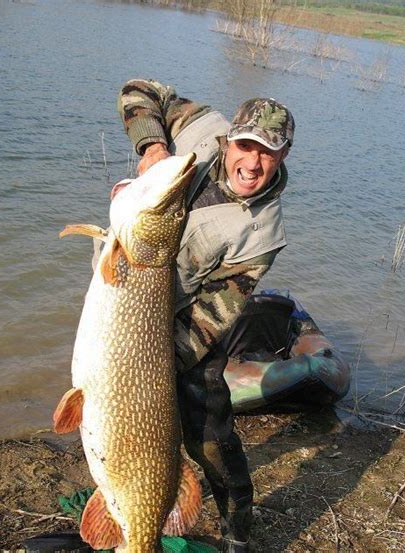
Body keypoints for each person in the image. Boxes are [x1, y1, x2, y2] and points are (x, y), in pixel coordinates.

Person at [116, 79, 295, 553]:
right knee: (110, 422)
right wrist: (153, 145)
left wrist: (146, 370)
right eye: (246, 146)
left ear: (284, 155)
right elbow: (139, 89)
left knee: (211, 439)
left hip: (188, 329)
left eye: (268, 152)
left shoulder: (263, 233)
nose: (252, 163)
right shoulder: (200, 125)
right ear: (229, 136)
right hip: (125, 295)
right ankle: (123, 506)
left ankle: (237, 532)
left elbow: (213, 315)